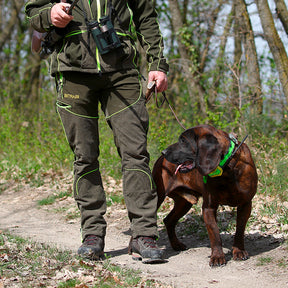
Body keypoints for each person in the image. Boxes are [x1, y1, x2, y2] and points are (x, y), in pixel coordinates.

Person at [25, 0, 169, 263]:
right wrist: (50, 14)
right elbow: (33, 13)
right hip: (72, 73)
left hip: (122, 72)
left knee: (135, 153)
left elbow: (146, 16)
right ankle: (92, 234)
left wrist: (158, 63)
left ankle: (144, 234)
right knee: (85, 156)